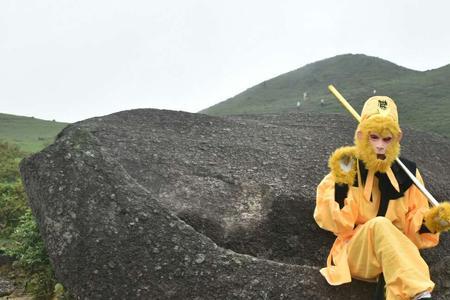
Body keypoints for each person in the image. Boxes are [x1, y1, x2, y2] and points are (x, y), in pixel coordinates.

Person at [314, 96, 450, 300]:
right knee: (380, 224)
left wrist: (432, 222)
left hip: (395, 256)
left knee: (386, 227)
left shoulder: (409, 174)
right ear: (361, 136)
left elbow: (410, 233)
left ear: (398, 138)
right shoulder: (346, 167)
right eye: (374, 137)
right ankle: (420, 294)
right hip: (357, 253)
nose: (380, 146)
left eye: (387, 139)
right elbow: (337, 225)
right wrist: (342, 183)